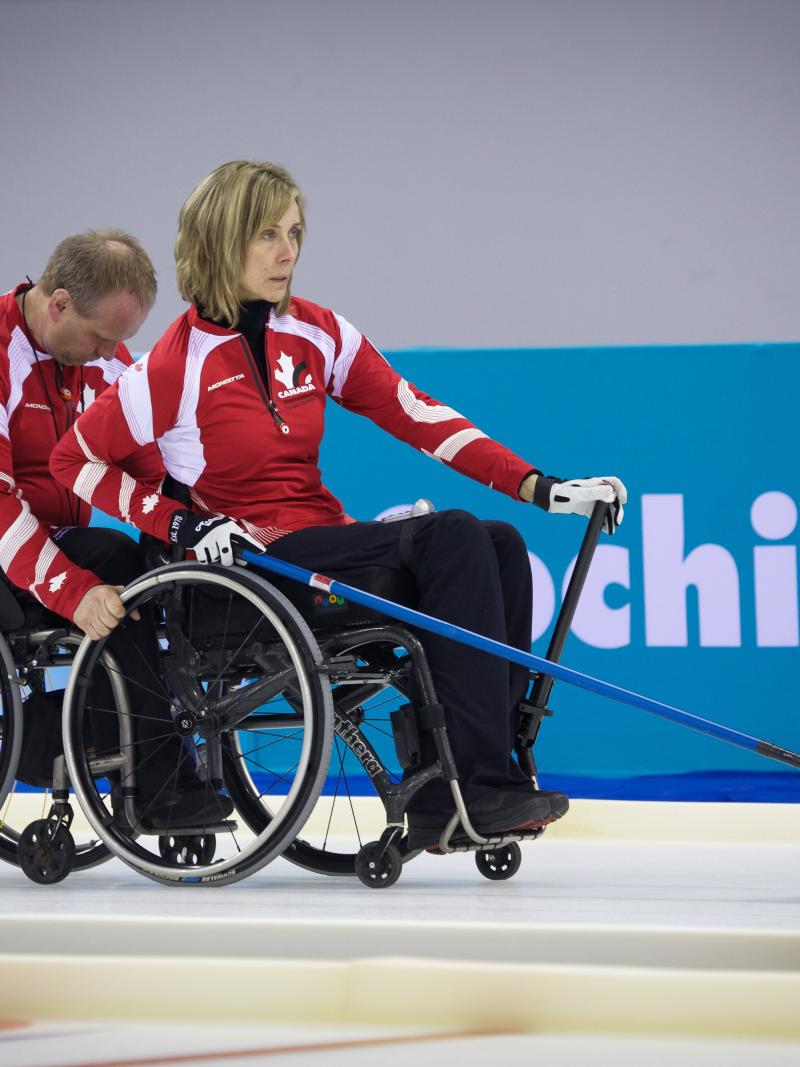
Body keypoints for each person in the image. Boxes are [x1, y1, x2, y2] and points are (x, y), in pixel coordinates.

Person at [50, 162, 627, 850]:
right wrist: (178, 522)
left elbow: (416, 414)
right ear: (220, 239)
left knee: (499, 543)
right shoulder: (174, 365)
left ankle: (478, 774)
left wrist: (539, 485)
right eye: (267, 234)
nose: (287, 251)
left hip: (320, 539)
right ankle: (463, 788)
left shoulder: (316, 331)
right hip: (251, 564)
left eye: (294, 232)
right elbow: (73, 461)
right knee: (452, 538)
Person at [0, 230, 230, 827]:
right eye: (102, 337)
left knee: (158, 567)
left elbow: (151, 471)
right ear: (58, 303)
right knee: (111, 558)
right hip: (9, 541)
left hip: (46, 545)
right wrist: (74, 594)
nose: (110, 355)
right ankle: (158, 786)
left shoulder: (104, 361)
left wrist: (195, 532)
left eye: (121, 343)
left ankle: (93, 742)